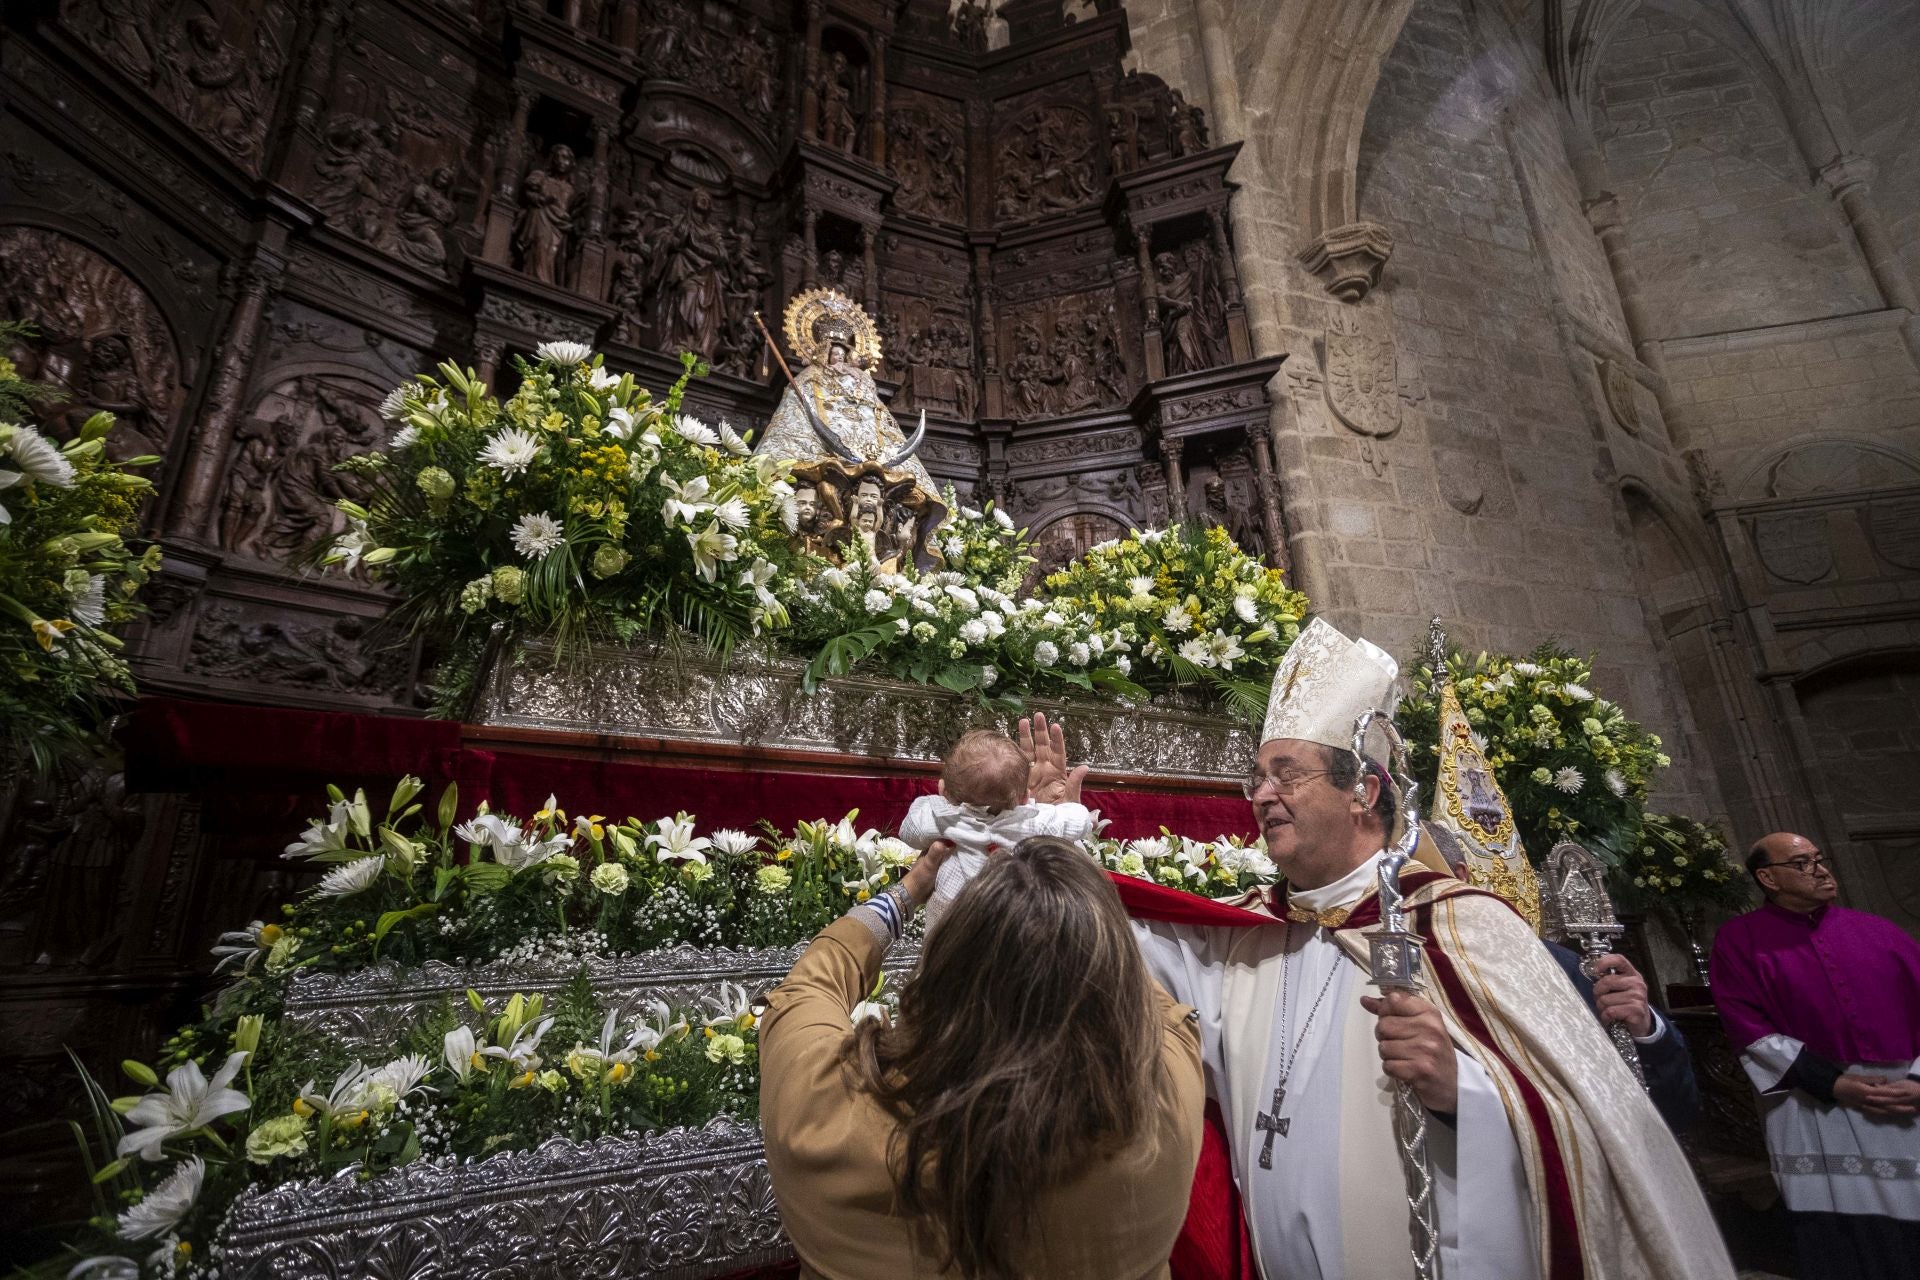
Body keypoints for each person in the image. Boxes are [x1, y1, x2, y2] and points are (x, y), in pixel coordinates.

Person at [1013, 620, 1734, 1280]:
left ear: (1362, 789)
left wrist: (1464, 1094)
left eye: (1284, 774)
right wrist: (1048, 828)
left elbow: (1601, 1132)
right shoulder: (1248, 940)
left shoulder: (1465, 929)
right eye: (1255, 778)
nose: (1260, 796)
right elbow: (1106, 945)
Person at [758, 836, 1205, 1280]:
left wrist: (908, 891)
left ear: (936, 976)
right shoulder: (1162, 1114)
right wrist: (1077, 900)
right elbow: (1156, 1007)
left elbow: (810, 984)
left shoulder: (819, 1106)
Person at [1709, 832, 1920, 1279]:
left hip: (1905, 1101)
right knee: (1839, 1235)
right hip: (1812, 1106)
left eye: (1819, 859)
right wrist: (1833, 1082)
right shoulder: (1739, 942)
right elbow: (1747, 1026)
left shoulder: (1881, 932)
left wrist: (1917, 1082)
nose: (1820, 869)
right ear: (1768, 877)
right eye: (1802, 863)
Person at [901, 729, 1097, 932]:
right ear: (1025, 798)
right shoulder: (1031, 820)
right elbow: (1072, 821)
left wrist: (930, 803)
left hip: (952, 906)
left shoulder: (943, 817)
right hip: (1010, 906)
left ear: (943, 790)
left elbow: (910, 831)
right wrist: (1088, 818)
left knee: (939, 952)